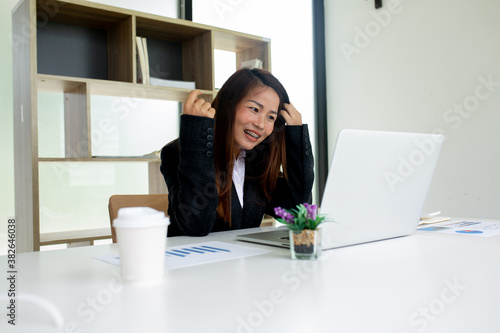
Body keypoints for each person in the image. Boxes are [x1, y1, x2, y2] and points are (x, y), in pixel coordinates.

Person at [160, 68, 314, 237]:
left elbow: (299, 213)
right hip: (197, 260)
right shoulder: (177, 153)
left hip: (242, 260)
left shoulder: (256, 159)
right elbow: (196, 225)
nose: (261, 124)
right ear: (229, 105)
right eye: (254, 109)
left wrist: (296, 138)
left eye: (271, 117)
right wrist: (197, 131)